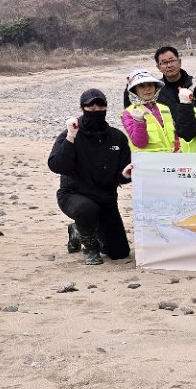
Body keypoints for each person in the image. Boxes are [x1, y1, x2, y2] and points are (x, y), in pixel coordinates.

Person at [48, 89, 132, 265]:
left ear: (106, 108)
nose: (96, 110)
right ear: (82, 108)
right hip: (73, 195)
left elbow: (122, 177)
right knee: (87, 210)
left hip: (105, 199)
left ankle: (78, 230)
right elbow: (57, 166)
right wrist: (70, 138)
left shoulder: (117, 137)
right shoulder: (71, 133)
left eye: (100, 106)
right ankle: (90, 247)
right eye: (91, 107)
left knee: (119, 253)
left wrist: (126, 174)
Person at [123, 69, 177, 152]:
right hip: (147, 159)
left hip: (170, 158)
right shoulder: (128, 113)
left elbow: (174, 136)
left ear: (155, 87)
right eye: (141, 86)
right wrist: (139, 122)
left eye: (150, 85)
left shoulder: (164, 108)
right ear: (134, 90)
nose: (147, 89)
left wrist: (178, 147)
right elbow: (140, 143)